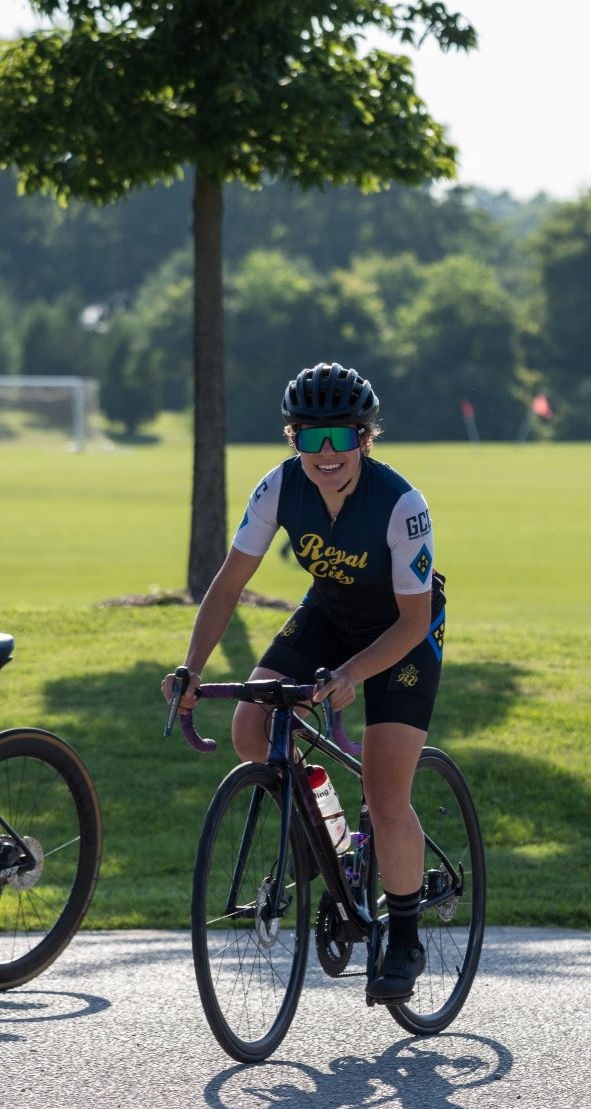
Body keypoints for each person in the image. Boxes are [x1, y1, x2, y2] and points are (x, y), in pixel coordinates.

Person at [162, 361, 446, 1004]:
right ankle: (331, 836)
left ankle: (403, 934)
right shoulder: (278, 488)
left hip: (401, 634)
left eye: (340, 437)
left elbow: (413, 619)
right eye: (309, 437)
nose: (325, 453)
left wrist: (351, 675)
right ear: (292, 439)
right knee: (250, 726)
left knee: (386, 788)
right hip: (330, 615)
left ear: (365, 439)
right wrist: (193, 668)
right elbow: (229, 584)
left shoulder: (401, 505)